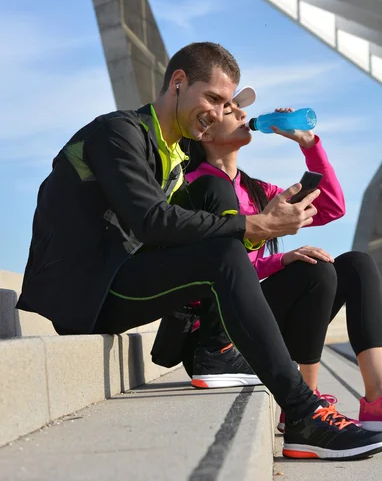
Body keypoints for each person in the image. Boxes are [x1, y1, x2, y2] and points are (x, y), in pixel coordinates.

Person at [17, 42, 382, 459]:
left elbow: (325, 203)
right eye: (214, 98)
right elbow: (151, 220)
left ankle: (309, 404)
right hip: (83, 290)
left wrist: (306, 142)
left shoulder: (176, 154)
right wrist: (256, 227)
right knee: (223, 256)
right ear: (178, 83)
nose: (220, 110)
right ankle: (300, 410)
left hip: (118, 279)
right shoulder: (118, 133)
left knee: (296, 263)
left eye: (226, 102)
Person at [177, 86, 382, 434]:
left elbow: (331, 207)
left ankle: (376, 399)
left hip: (256, 317)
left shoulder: (258, 191)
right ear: (205, 130)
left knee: (357, 265)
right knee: (313, 271)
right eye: (230, 110)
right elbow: (213, 267)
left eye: (240, 109)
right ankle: (306, 399)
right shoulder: (195, 187)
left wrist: (308, 144)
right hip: (216, 332)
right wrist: (281, 260)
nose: (243, 115)